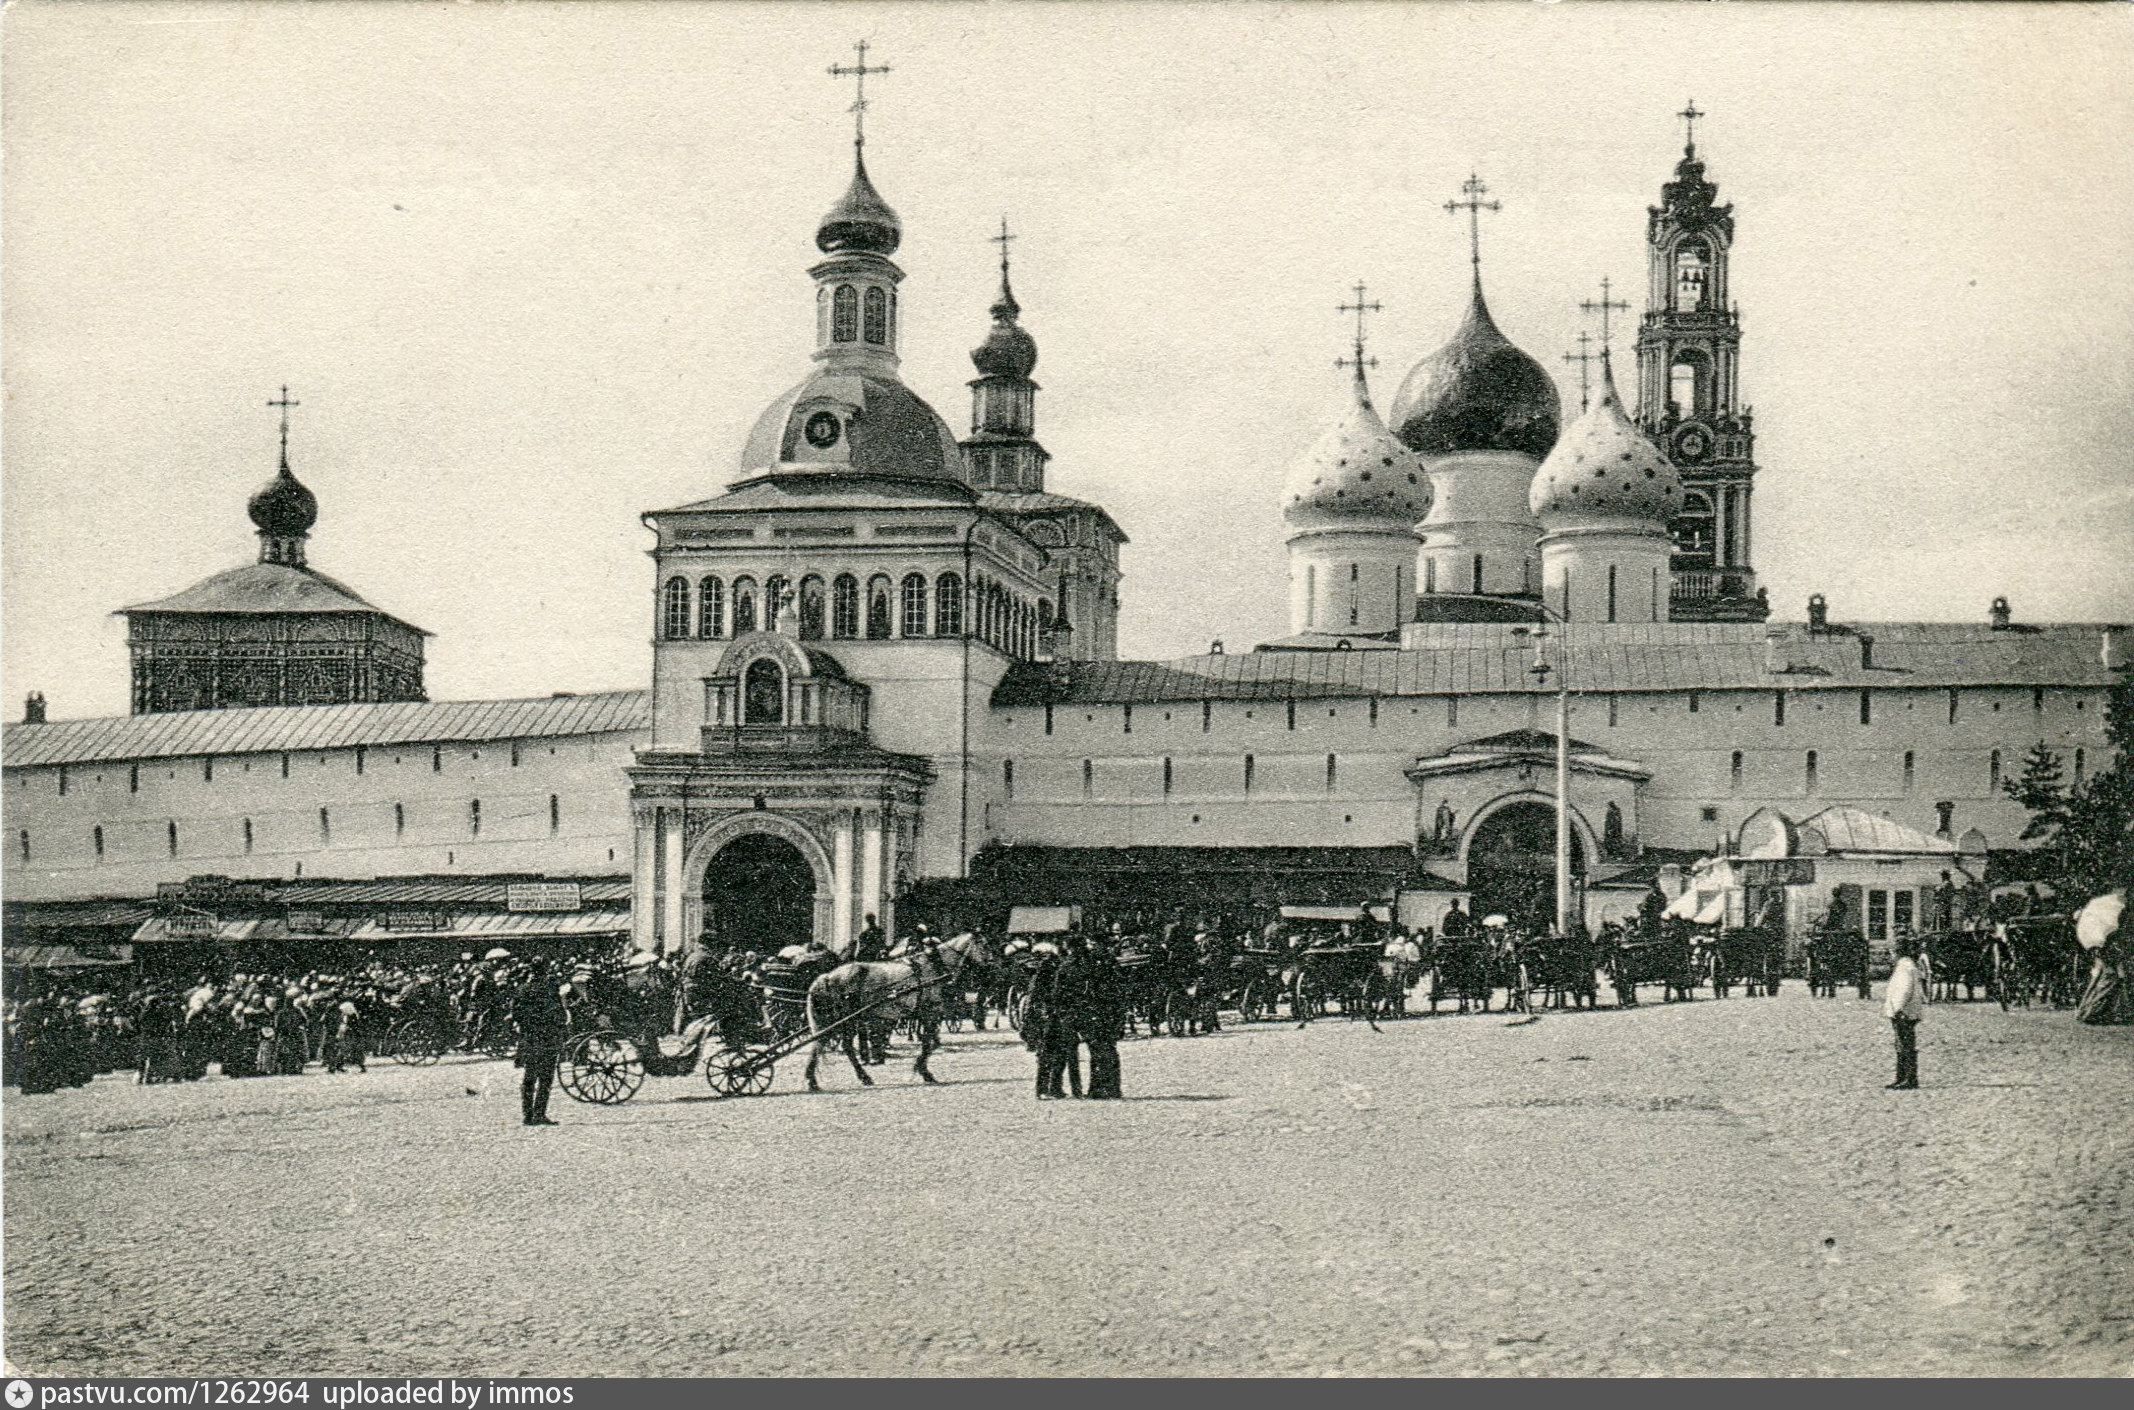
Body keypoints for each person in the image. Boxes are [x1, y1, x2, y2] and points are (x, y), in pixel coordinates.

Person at [512, 958, 567, 1126]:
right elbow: (559, 1014)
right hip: (547, 1037)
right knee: (545, 1078)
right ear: (545, 971)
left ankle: (527, 1115)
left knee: (529, 1077)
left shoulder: (522, 989)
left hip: (528, 1037)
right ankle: (539, 1113)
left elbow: (515, 1014)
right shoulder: (550, 989)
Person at [1883, 937, 1925, 1090]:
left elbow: (1904, 990)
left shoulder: (1904, 968)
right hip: (1907, 1011)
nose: (1891, 955)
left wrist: (1898, 1008)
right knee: (1902, 1045)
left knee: (1905, 1045)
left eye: (1892, 952)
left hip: (1904, 1012)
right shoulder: (1908, 966)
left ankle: (1909, 1078)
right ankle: (1902, 1077)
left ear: (1898, 952)